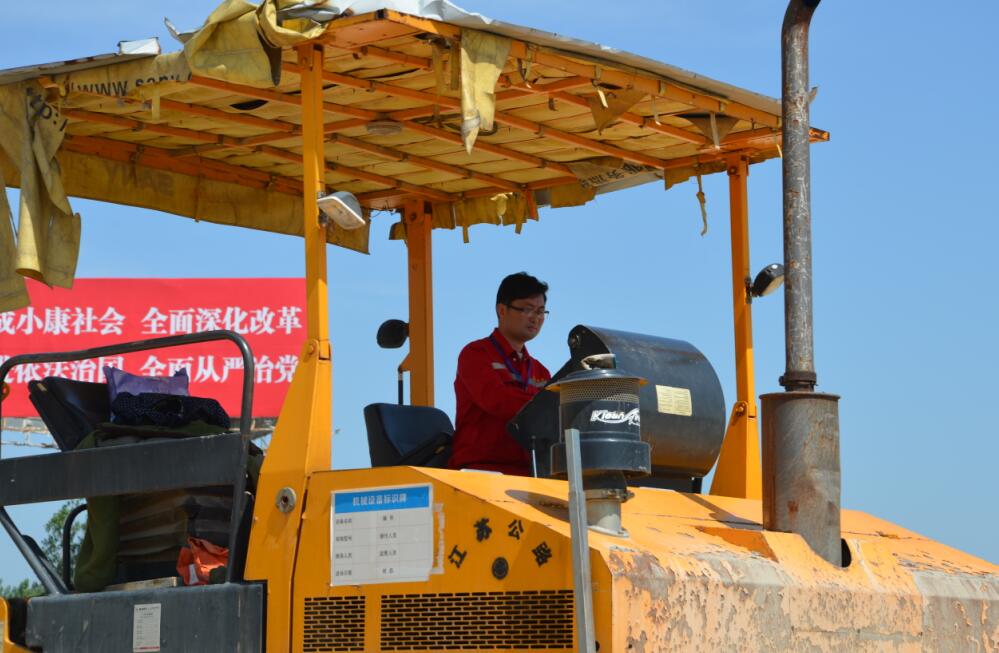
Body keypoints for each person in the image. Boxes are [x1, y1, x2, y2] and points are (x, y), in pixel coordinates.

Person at [449, 272, 552, 475]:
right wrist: (548, 406)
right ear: (502, 310)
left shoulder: (541, 371)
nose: (535, 318)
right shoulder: (476, 353)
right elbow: (497, 400)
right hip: (480, 471)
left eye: (541, 311)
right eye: (527, 309)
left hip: (530, 473)